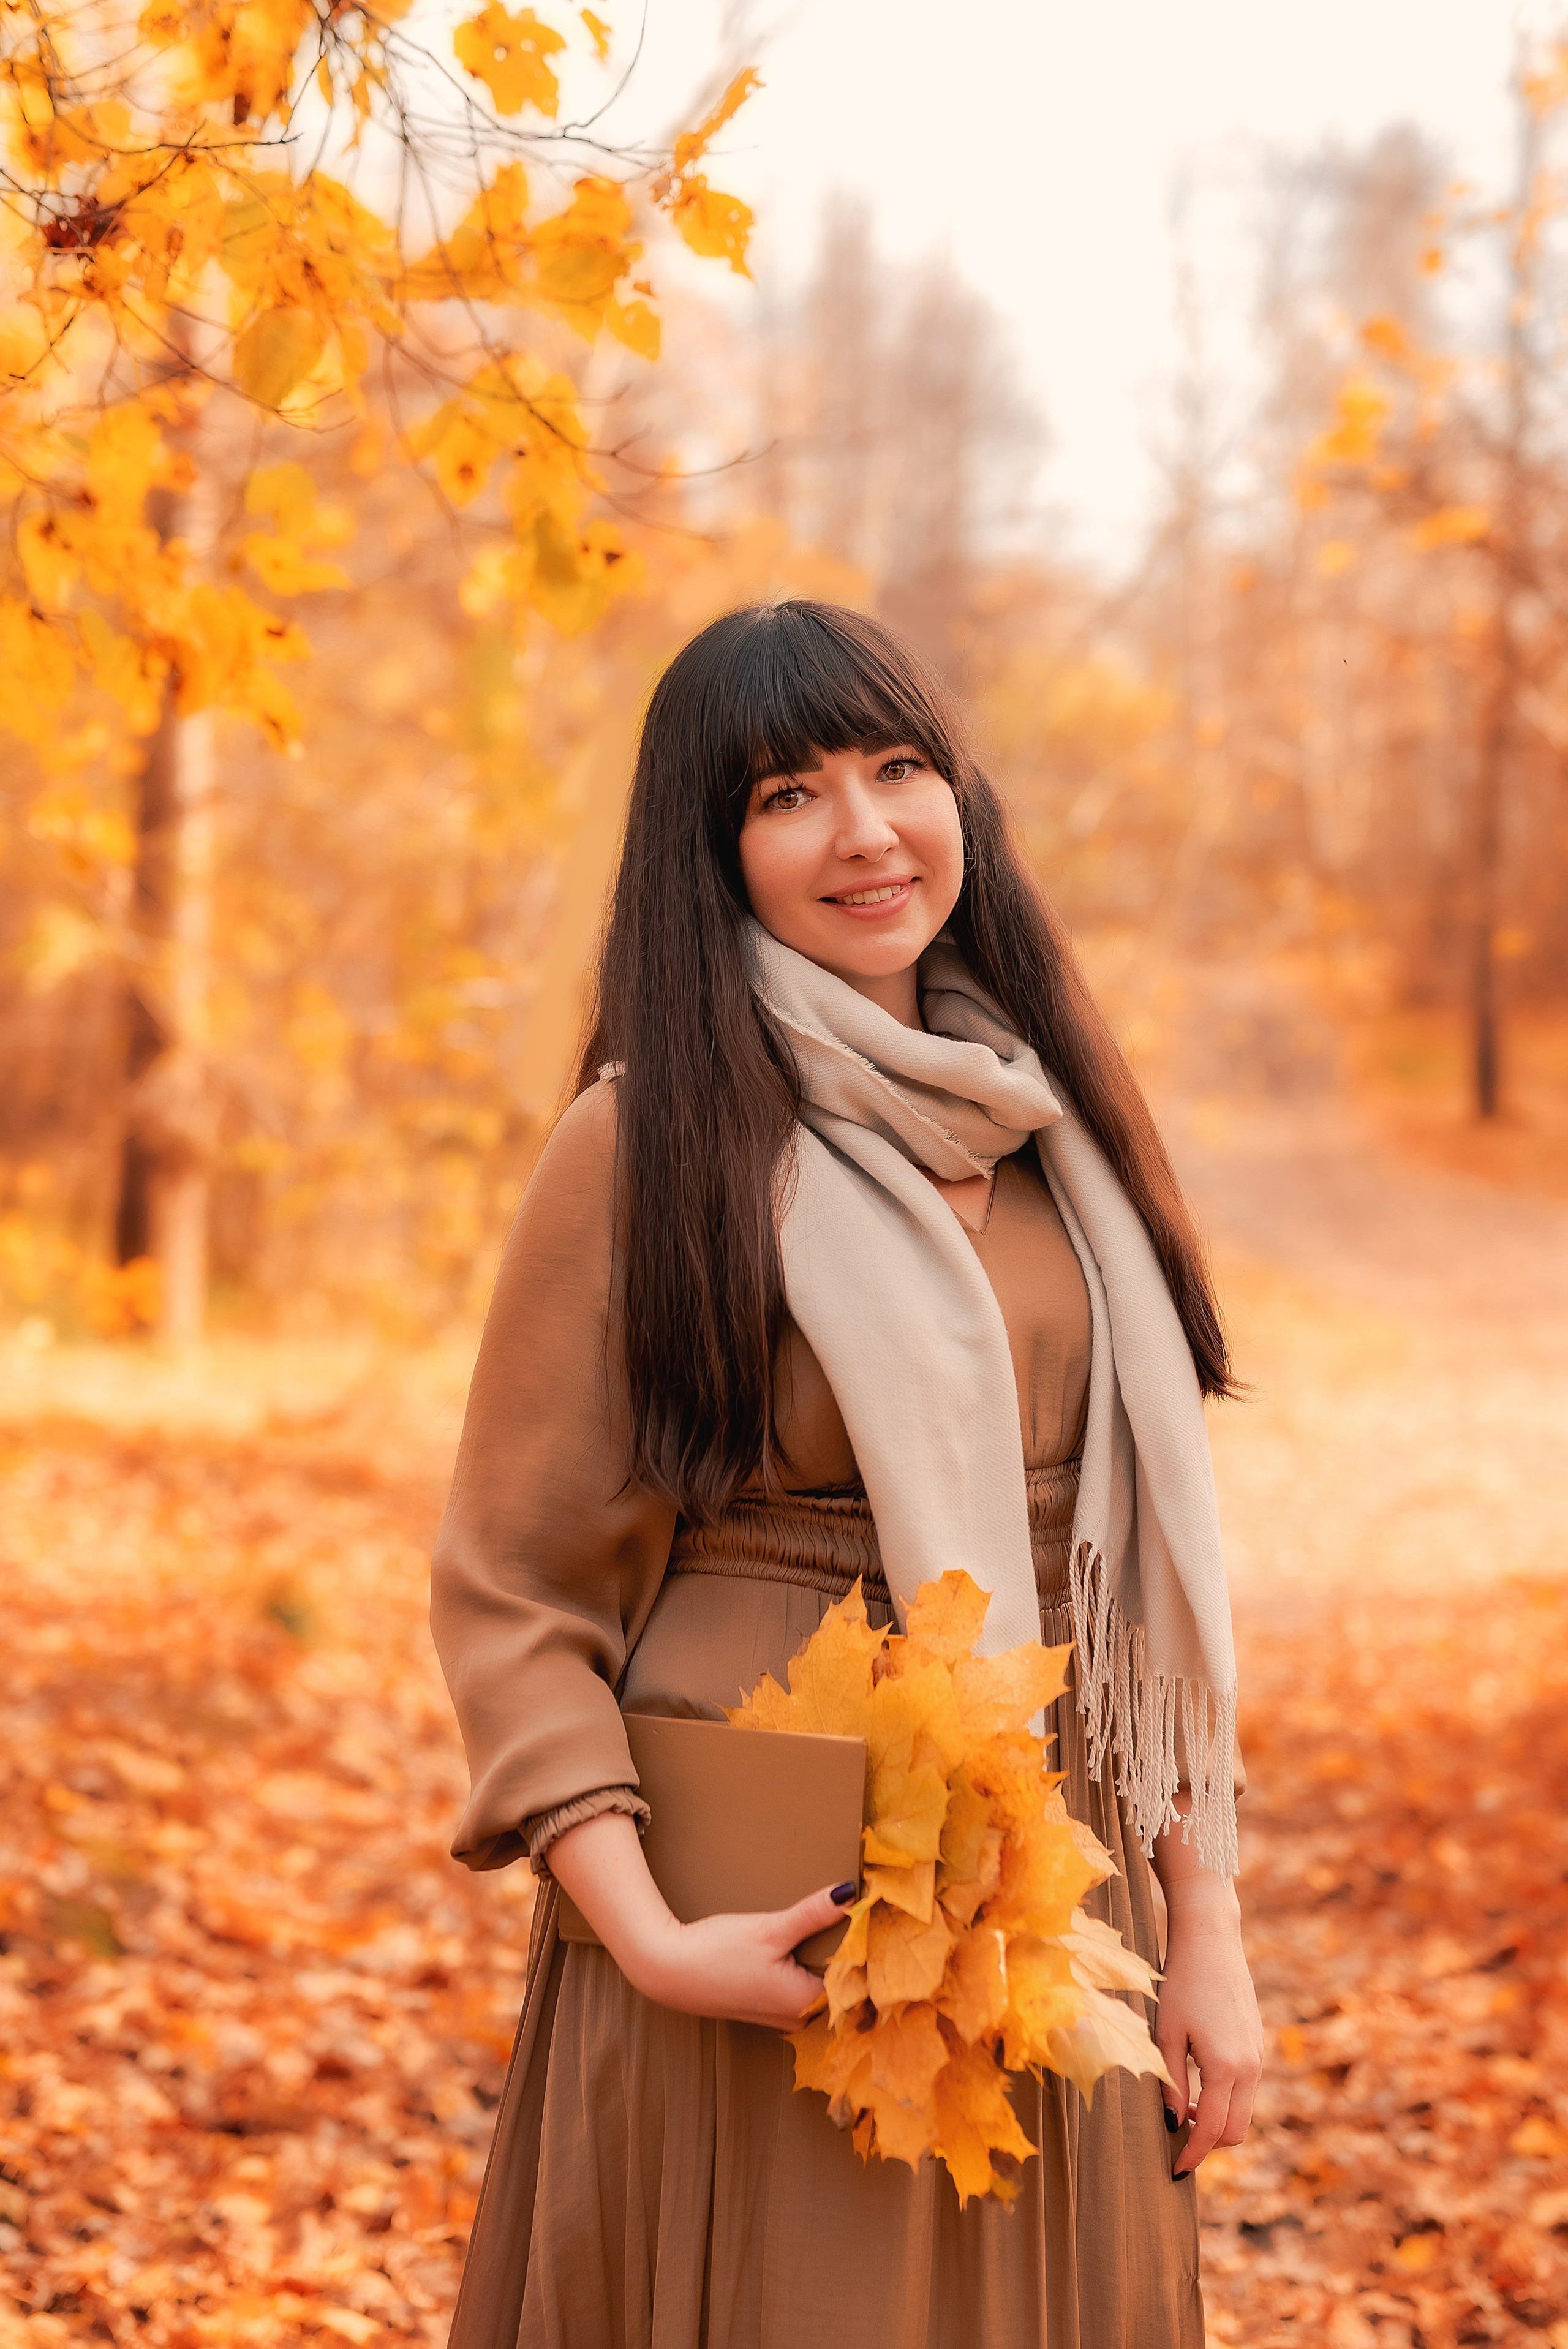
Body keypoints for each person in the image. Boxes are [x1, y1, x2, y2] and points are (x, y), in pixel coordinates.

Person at [430, 601, 1264, 2349]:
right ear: (711, 850)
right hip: (763, 1888)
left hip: (1059, 1861)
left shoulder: (1061, 1128)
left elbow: (1142, 1581)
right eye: (788, 792)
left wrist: (1209, 1924)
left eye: (899, 767)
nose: (867, 829)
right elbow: (515, 1591)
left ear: (962, 791)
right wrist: (653, 1941)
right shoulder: (646, 1140)